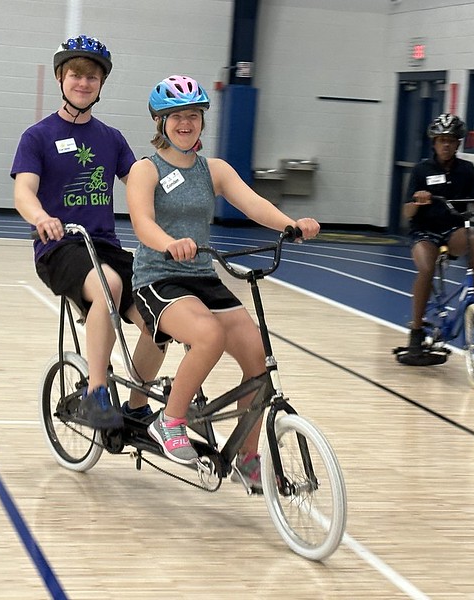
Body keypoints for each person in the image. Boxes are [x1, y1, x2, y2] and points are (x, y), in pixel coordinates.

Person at [126, 75, 320, 490]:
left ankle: (247, 458)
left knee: (257, 361)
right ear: (160, 122)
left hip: (202, 274)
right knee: (208, 335)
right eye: (176, 116)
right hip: (159, 276)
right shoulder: (146, 170)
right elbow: (142, 223)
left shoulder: (212, 169)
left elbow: (253, 203)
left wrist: (292, 225)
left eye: (193, 115)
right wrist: (169, 243)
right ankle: (170, 420)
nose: (186, 123)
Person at [11, 35, 165, 429]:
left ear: (101, 84)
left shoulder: (111, 138)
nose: (83, 83)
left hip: (105, 245)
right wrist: (41, 217)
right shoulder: (38, 136)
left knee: (163, 316)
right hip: (59, 247)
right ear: (62, 78)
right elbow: (24, 191)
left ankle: (135, 405)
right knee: (108, 285)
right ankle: (97, 394)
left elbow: (138, 183)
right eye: (76, 75)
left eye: (92, 77)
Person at [403, 113, 474, 357]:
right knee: (427, 269)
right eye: (442, 140)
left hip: (453, 231)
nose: (446, 144)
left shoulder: (467, 170)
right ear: (434, 142)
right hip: (425, 232)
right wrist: (418, 201)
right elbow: (407, 211)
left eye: (451, 140)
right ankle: (416, 332)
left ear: (458, 143)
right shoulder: (422, 170)